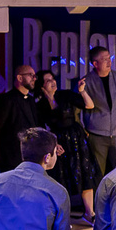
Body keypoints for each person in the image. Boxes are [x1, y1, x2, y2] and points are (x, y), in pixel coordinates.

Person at [35, 69, 96, 221]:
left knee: (85, 172)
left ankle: (90, 213)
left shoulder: (65, 95)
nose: (52, 82)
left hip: (75, 137)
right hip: (58, 140)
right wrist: (54, 144)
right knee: (62, 177)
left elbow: (89, 105)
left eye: (53, 78)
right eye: (48, 80)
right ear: (42, 86)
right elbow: (42, 127)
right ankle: (61, 216)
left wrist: (82, 91)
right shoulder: (40, 104)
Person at [79, 45, 116, 194]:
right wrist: (83, 130)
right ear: (95, 63)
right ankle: (100, 204)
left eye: (109, 58)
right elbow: (76, 109)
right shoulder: (86, 82)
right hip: (97, 136)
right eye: (104, 59)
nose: (109, 61)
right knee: (98, 175)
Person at [0, 65, 41, 172]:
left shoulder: (31, 100)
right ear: (19, 78)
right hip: (11, 159)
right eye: (30, 75)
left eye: (35, 76)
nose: (34, 78)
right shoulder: (7, 99)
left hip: (30, 158)